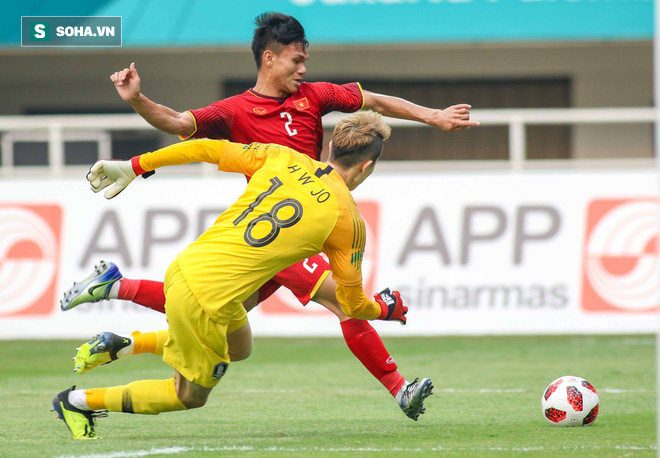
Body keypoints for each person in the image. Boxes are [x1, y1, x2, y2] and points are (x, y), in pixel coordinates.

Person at [60, 12, 472, 418]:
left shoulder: (317, 95)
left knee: (219, 323)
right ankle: (400, 389)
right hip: (290, 230)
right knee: (343, 305)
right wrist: (137, 101)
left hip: (293, 228)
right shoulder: (235, 111)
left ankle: (119, 305)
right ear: (269, 59)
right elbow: (179, 125)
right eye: (297, 60)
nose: (304, 68)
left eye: (305, 60)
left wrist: (433, 116)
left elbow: (375, 101)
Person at [53, 111, 433, 440]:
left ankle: (123, 341)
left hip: (188, 265)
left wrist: (136, 165)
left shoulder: (283, 157)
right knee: (188, 396)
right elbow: (352, 304)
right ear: (367, 166)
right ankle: (76, 401)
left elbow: (205, 147)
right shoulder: (348, 220)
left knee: (240, 349)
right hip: (207, 298)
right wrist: (384, 308)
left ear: (331, 147)